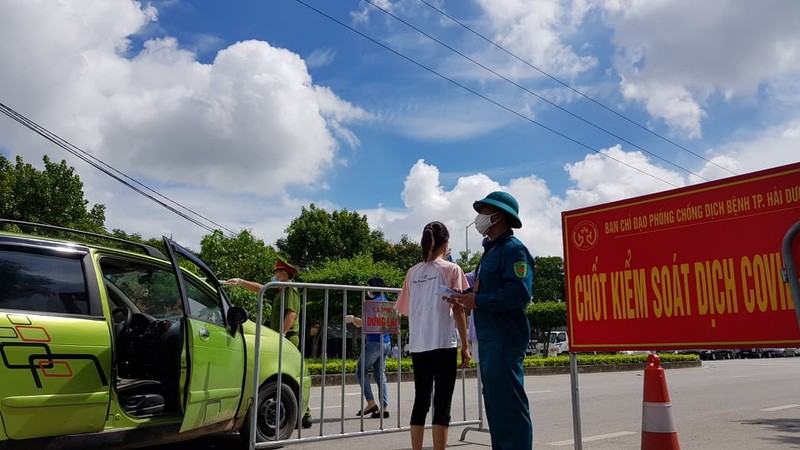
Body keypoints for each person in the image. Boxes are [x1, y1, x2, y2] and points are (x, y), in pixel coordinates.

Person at [449, 191, 535, 450]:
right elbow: (480, 290)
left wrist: (479, 301)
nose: (480, 218)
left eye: (484, 212)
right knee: (496, 404)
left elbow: (520, 293)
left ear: (498, 216)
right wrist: (461, 297)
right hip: (488, 336)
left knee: (508, 403)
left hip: (504, 338)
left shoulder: (514, 250)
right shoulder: (491, 252)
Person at [395, 221, 470, 450]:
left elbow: (407, 308)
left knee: (421, 401)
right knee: (442, 404)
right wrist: (465, 345)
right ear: (445, 244)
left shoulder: (412, 272)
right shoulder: (451, 269)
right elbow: (458, 308)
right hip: (443, 342)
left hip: (419, 345)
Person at [224, 258, 313, 429]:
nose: (274, 276)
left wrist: (283, 334)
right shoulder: (280, 291)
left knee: (290, 374)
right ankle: (304, 414)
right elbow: (260, 289)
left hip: (288, 337)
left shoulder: (290, 289)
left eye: (276, 273)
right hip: (281, 337)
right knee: (288, 374)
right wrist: (241, 282)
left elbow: (291, 314)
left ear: (285, 274)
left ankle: (305, 414)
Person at [347, 277, 392, 419]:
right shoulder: (388, 302)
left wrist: (352, 319)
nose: (367, 290)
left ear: (374, 287)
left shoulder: (373, 303)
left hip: (373, 342)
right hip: (386, 342)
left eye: (368, 287)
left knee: (360, 370)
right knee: (380, 375)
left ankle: (371, 402)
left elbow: (365, 324)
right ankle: (384, 408)